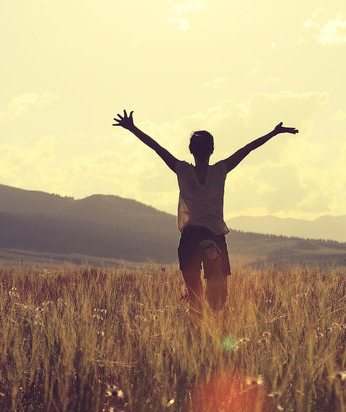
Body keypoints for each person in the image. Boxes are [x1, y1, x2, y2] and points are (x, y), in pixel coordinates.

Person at [112, 110, 298, 320]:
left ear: (191, 151)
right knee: (218, 303)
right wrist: (273, 133)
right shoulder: (220, 170)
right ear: (212, 150)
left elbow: (157, 148)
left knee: (194, 298)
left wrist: (132, 128)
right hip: (214, 236)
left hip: (190, 238)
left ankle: (197, 337)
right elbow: (247, 149)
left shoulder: (182, 170)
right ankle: (215, 266)